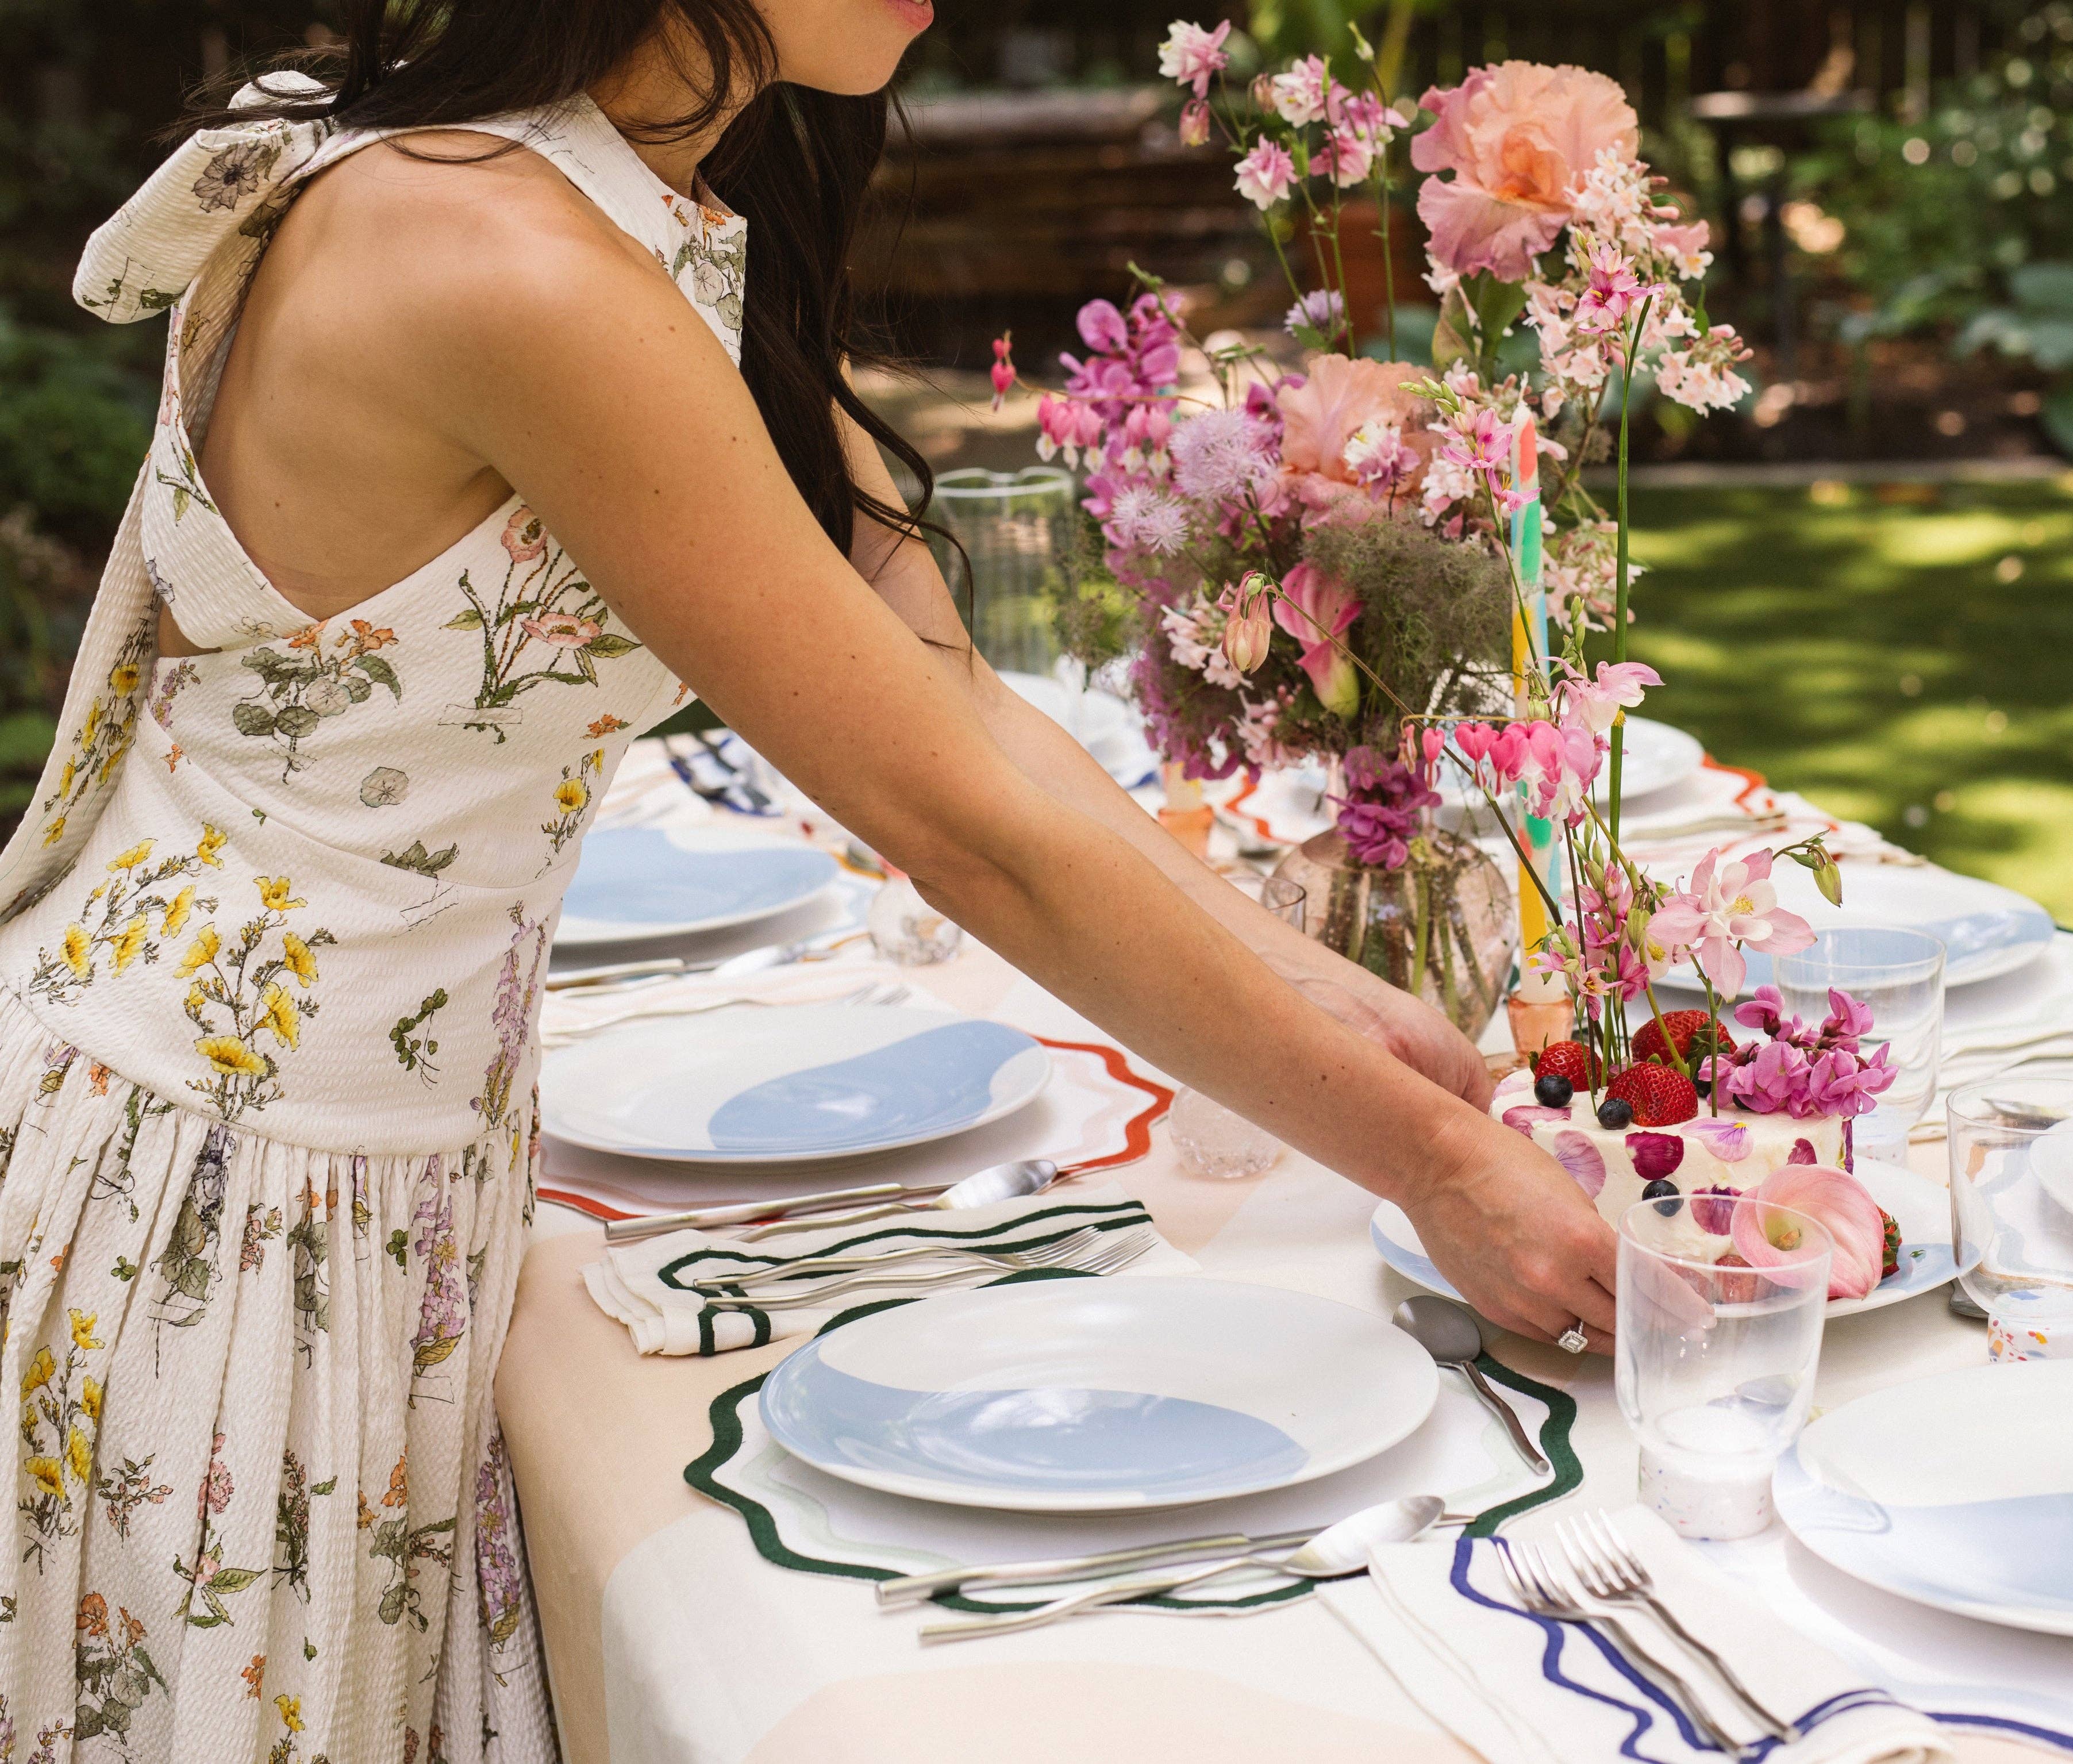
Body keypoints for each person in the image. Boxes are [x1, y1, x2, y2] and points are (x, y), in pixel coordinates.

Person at [0, 1, 1618, 1755]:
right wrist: (1441, 1168)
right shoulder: (501, 255)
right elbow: (955, 826)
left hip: (380, 1162)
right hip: (227, 1189)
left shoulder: (626, 193)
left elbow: (941, 688)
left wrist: (1313, 983)